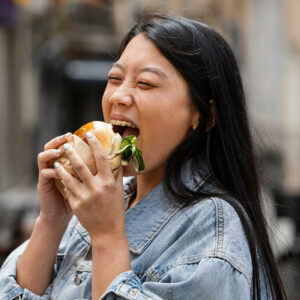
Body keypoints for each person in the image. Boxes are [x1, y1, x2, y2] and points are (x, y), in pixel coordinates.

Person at [0, 13, 286, 300]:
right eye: (114, 78)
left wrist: (108, 237)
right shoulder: (105, 202)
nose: (118, 96)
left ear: (204, 115)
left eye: (146, 83)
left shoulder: (212, 231)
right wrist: (52, 219)